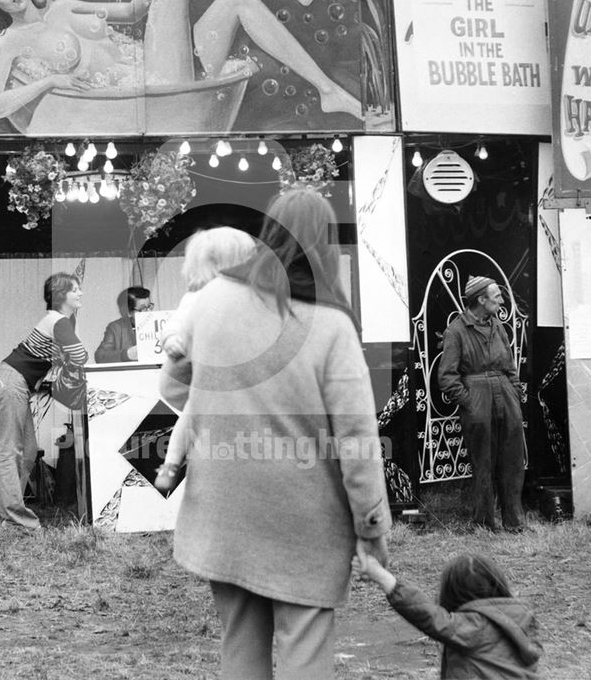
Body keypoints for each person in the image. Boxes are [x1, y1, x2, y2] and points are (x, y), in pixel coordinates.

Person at [159, 188, 391, 680]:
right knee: (305, 655)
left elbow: (174, 386)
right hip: (306, 522)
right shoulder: (332, 325)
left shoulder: (213, 298)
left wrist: (228, 411)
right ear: (326, 245)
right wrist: (371, 529)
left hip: (225, 512)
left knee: (239, 650)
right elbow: (357, 440)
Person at [0, 0, 361, 128]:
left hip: (164, 74)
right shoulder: (8, 42)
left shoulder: (63, 7)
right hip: (151, 89)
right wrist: (49, 81)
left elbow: (134, 10)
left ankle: (329, 91)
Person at [154, 226, 257, 493]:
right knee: (192, 412)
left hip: (224, 378)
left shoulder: (247, 298)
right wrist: (173, 340)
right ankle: (171, 463)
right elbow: (174, 325)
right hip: (199, 375)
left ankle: (180, 464)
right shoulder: (197, 297)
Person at [0, 273, 86, 532]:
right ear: (62, 296)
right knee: (12, 451)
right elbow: (80, 355)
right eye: (76, 290)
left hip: (14, 383)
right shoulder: (59, 321)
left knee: (27, 451)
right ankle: (16, 519)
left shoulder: (59, 321)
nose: (80, 294)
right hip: (12, 382)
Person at [353, 546, 543, 679]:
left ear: (452, 593)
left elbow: (427, 615)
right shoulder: (521, 618)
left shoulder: (475, 626)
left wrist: (383, 577)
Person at [438, 276, 526, 533]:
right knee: (483, 462)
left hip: (505, 395)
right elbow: (446, 376)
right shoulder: (456, 331)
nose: (501, 300)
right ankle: (485, 523)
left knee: (512, 459)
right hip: (477, 397)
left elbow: (509, 365)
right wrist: (470, 402)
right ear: (481, 299)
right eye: (496, 296)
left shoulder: (498, 326)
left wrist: (515, 390)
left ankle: (514, 521)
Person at [94, 286, 152, 363]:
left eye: (149, 307)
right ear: (128, 312)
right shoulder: (116, 328)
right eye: (143, 309)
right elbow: (100, 357)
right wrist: (127, 354)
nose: (149, 312)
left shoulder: (158, 323)